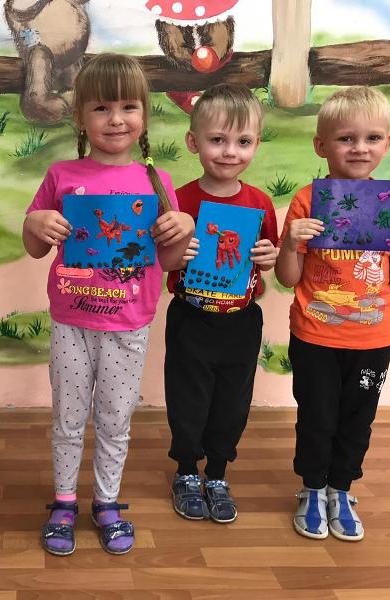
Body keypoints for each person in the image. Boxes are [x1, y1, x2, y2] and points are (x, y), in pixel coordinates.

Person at [22, 53, 194, 556]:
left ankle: (107, 502)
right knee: (68, 418)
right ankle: (63, 503)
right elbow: (34, 247)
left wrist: (183, 231)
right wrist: (35, 223)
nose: (115, 119)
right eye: (101, 108)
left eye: (127, 107)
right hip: (71, 321)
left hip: (129, 325)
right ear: (80, 117)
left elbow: (167, 262)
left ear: (144, 114)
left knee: (116, 419)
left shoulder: (157, 183)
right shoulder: (61, 174)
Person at [276, 86, 390, 542]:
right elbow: (288, 277)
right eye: (346, 138)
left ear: (387, 143)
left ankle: (340, 489)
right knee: (317, 416)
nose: (359, 148)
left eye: (372, 138)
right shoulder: (307, 201)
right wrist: (290, 244)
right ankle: (312, 488)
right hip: (315, 337)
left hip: (374, 341)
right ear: (321, 145)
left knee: (358, 418)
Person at [164, 83, 278, 524]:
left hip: (241, 321)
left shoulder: (260, 203)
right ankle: (186, 470)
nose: (230, 152)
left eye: (243, 141)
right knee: (187, 398)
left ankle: (217, 473)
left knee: (232, 401)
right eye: (217, 139)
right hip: (190, 318)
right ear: (193, 142)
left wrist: (269, 254)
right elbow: (163, 259)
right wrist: (178, 253)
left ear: (256, 143)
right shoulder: (180, 200)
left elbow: (269, 256)